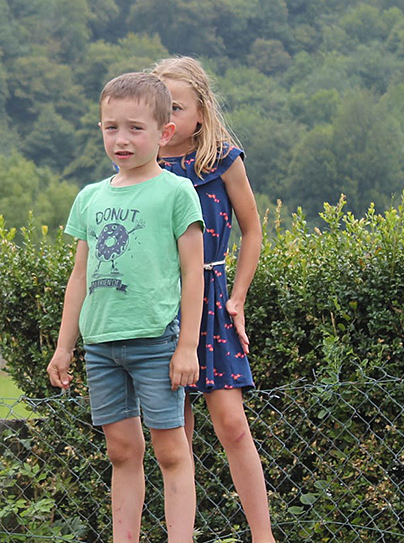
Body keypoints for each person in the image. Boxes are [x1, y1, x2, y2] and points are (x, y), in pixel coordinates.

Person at [47, 72, 205, 543]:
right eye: (111, 127)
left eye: (136, 128)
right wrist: (63, 346)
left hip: (157, 341)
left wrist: (188, 347)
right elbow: (80, 276)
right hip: (100, 345)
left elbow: (194, 274)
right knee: (121, 451)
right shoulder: (90, 198)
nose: (122, 139)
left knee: (171, 451)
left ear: (164, 133)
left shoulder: (177, 192)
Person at [152, 56, 276, 543]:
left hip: (213, 304)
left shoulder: (224, 159)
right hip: (163, 305)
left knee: (232, 424)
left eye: (176, 107)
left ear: (201, 113)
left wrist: (238, 296)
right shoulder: (147, 166)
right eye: (160, 106)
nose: (167, 118)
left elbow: (252, 229)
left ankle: (263, 536)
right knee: (172, 437)